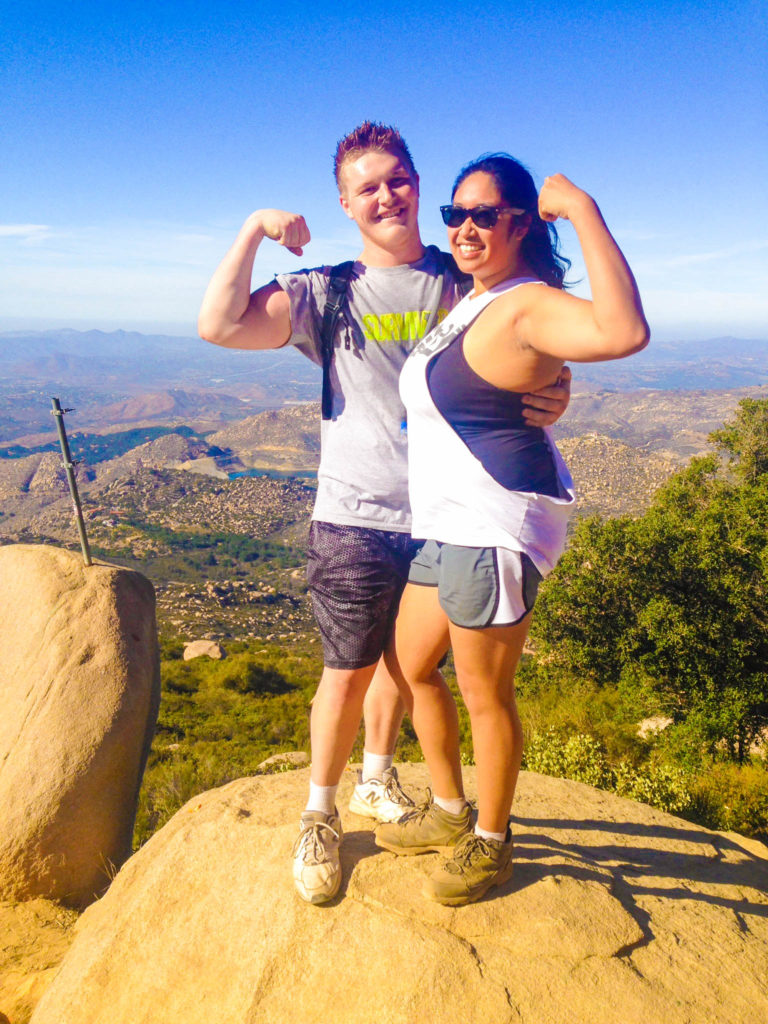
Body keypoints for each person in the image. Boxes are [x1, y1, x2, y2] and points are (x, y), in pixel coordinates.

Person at [198, 124, 571, 905]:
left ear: (415, 183)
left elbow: (531, 327)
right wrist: (252, 232)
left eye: (398, 180)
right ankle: (318, 813)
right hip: (354, 510)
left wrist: (559, 385)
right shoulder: (325, 290)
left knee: (408, 668)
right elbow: (221, 326)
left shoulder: (458, 273)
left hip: (451, 513)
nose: (387, 195)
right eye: (368, 187)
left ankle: (378, 777)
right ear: (345, 204)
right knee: (348, 668)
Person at [375, 154, 649, 906]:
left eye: (483, 215)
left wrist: (585, 210)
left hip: (494, 525)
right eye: (454, 214)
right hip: (446, 523)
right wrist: (554, 384)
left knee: (485, 694)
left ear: (521, 223)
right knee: (406, 665)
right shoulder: (477, 298)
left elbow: (623, 330)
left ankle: (490, 842)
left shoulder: (527, 302)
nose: (464, 227)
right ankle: (448, 809)